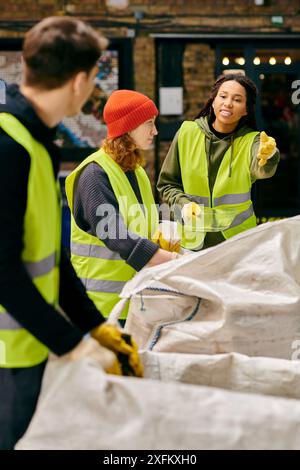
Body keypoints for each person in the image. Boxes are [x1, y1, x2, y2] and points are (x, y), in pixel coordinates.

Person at [0, 17, 141, 451]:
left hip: (31, 344)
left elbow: (49, 255)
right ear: (80, 81)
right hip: (8, 357)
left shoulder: (36, 141)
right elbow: (2, 270)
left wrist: (95, 326)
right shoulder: (9, 146)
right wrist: (72, 343)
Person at [65, 89, 180, 322]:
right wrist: (176, 262)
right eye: (149, 123)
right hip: (100, 310)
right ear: (128, 127)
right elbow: (117, 235)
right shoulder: (94, 175)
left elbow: (144, 224)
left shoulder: (136, 172)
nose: (155, 131)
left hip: (133, 304)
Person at [157, 73, 280, 250]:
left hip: (237, 242)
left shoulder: (251, 141)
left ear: (246, 109)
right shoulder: (186, 133)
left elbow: (263, 169)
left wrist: (269, 156)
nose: (228, 103)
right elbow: (167, 184)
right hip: (192, 241)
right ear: (213, 101)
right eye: (223, 96)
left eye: (237, 100)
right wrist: (183, 204)